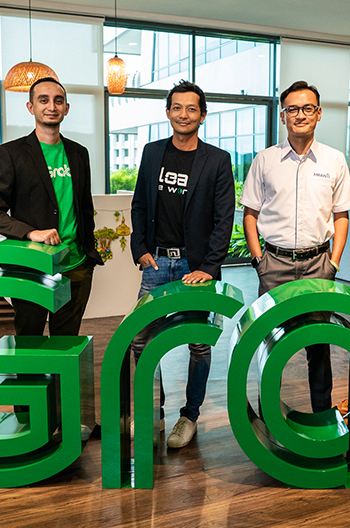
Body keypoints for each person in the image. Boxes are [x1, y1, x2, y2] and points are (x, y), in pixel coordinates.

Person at [240, 80, 350, 414]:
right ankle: (268, 417)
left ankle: (323, 416)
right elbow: (250, 214)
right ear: (283, 116)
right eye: (292, 109)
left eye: (307, 108)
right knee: (271, 344)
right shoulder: (265, 160)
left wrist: (332, 264)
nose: (300, 115)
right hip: (273, 266)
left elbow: (342, 216)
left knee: (318, 346)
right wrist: (259, 259)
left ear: (318, 114)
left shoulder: (334, 160)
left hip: (318, 266)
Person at [130, 80, 235, 449]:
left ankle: (189, 416)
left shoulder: (218, 160)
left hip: (195, 268)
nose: (184, 114)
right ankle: (153, 410)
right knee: (140, 341)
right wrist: (139, 247)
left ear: (202, 115)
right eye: (177, 107)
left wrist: (209, 266)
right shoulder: (152, 151)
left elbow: (225, 218)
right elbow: (140, 204)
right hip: (156, 263)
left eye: (192, 109)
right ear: (168, 112)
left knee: (198, 344)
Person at [0, 77, 102, 338]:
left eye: (58, 101)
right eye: (43, 100)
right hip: (31, 266)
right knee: (30, 338)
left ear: (66, 108)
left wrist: (88, 254)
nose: (51, 106)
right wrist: (30, 233)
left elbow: (84, 206)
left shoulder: (79, 153)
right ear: (30, 107)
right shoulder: (10, 153)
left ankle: (60, 382)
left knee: (66, 343)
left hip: (76, 265)